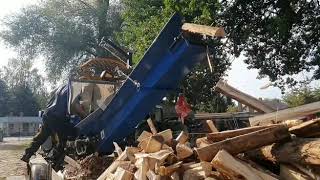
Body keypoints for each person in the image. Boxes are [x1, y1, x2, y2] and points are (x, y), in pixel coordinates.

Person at [21, 84, 86, 163]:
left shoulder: (62, 87)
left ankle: (27, 154)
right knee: (62, 142)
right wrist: (84, 116)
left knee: (41, 137)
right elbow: (76, 106)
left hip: (48, 114)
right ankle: (56, 163)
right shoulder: (75, 90)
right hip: (58, 117)